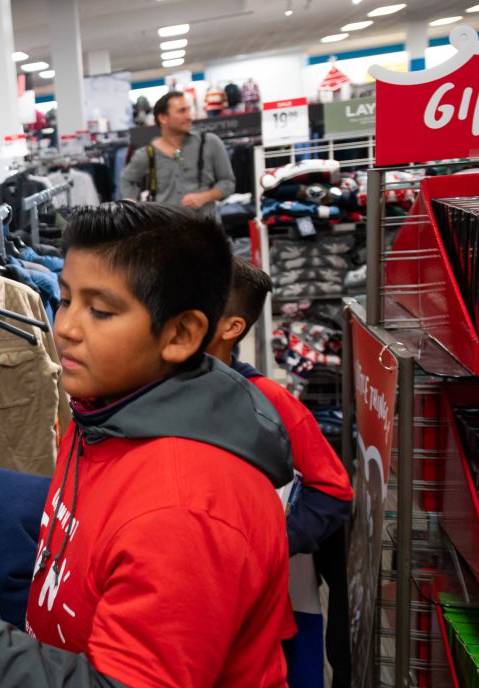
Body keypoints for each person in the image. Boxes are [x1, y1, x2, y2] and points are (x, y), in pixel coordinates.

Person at [0, 201, 295, 687]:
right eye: (68, 298)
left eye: (100, 310)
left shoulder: (184, 511)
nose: (66, 327)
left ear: (181, 333)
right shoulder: (104, 413)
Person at [205, 256, 353, 688]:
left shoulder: (267, 400)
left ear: (231, 327)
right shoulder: (156, 388)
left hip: (278, 599)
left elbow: (334, 489)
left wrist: (273, 544)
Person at [119, 91, 236, 217]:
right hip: (166, 231)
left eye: (188, 110)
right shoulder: (147, 154)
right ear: (163, 118)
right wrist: (135, 209)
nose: (189, 117)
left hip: (206, 230)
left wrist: (204, 197)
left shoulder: (209, 143)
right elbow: (127, 179)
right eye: (182, 111)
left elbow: (228, 182)